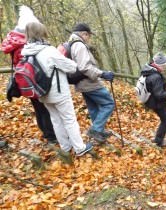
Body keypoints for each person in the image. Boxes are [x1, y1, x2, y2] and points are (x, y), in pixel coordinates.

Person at [21, 22, 93, 156]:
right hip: (58, 91)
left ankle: (65, 147)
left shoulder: (26, 52)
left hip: (42, 92)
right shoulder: (48, 51)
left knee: (55, 119)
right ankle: (79, 148)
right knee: (69, 119)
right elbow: (71, 67)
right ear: (41, 33)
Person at [1, 6, 57, 144]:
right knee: (44, 107)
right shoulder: (25, 44)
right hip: (35, 78)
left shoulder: (14, 42)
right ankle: (51, 136)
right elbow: (33, 62)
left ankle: (47, 133)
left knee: (38, 107)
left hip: (25, 80)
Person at [68, 23, 115, 143]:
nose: (89, 38)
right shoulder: (79, 45)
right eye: (88, 36)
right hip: (90, 83)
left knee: (93, 108)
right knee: (109, 104)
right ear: (84, 34)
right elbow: (85, 67)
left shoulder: (72, 44)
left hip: (82, 84)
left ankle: (99, 132)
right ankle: (96, 129)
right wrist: (103, 73)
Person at [140, 52, 166, 147]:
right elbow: (160, 95)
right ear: (160, 65)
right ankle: (159, 140)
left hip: (151, 100)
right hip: (156, 103)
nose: (165, 68)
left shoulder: (149, 70)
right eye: (164, 66)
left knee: (164, 118)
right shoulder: (155, 77)